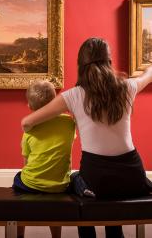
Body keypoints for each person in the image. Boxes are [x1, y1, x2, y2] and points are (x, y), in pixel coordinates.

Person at [21, 38, 152, 238]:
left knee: (74, 180)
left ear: (81, 64)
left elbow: (27, 123)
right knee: (110, 192)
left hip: (96, 180)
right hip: (132, 177)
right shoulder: (128, 87)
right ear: (109, 61)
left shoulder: (73, 95)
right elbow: (149, 75)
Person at [13, 80, 76, 238]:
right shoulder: (69, 124)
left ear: (29, 106)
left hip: (31, 184)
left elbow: (26, 163)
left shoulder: (29, 130)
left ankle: (19, 233)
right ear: (55, 101)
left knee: (18, 186)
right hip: (60, 185)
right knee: (55, 210)